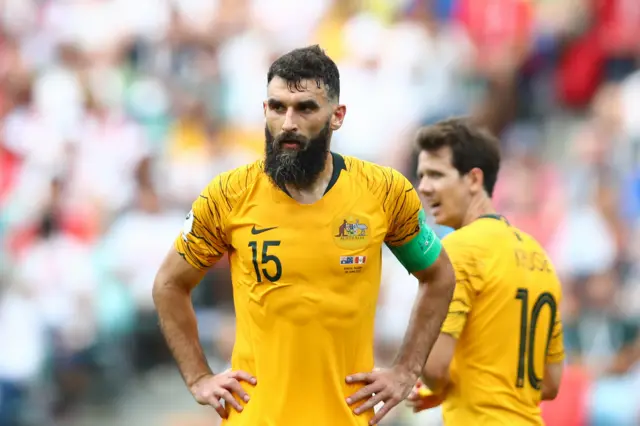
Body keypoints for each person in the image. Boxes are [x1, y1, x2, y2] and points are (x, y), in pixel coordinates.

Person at [152, 45, 456, 426]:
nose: (288, 122)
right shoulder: (228, 195)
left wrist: (406, 370)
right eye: (277, 107)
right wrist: (198, 377)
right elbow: (168, 285)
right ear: (265, 111)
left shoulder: (383, 192)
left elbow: (440, 275)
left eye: (306, 108)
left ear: (337, 116)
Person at [406, 118, 565, 425]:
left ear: (474, 179)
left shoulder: (459, 248)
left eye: (436, 174)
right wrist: (463, 386)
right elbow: (550, 382)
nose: (424, 187)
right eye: (421, 175)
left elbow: (435, 370)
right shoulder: (538, 255)